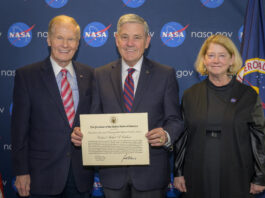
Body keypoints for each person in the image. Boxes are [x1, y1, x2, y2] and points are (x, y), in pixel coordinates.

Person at [71, 13, 183, 198]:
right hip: (113, 176)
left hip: (151, 176)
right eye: (124, 37)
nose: (130, 43)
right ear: (116, 39)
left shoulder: (165, 74)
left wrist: (166, 134)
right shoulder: (100, 74)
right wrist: (84, 133)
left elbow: (175, 120)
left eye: (137, 37)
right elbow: (95, 116)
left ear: (147, 41)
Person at [11, 15, 94, 197]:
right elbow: (19, 130)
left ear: (78, 43)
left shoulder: (90, 75)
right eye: (59, 37)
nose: (65, 44)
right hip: (41, 176)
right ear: (49, 39)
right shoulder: (27, 76)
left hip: (80, 177)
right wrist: (21, 171)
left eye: (71, 39)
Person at [174, 34, 265, 198]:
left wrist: (260, 176)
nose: (216, 60)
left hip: (237, 175)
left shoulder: (248, 95)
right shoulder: (190, 95)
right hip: (197, 175)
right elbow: (182, 137)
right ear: (204, 59)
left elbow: (260, 137)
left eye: (222, 55)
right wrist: (178, 172)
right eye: (211, 55)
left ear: (231, 59)